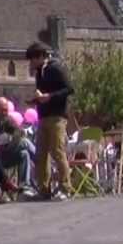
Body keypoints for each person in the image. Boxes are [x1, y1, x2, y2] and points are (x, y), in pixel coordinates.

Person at [27, 42, 74, 200]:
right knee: (41, 154)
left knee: (57, 152)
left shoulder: (55, 68)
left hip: (57, 116)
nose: (31, 63)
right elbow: (43, 92)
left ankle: (65, 187)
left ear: (40, 56)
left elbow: (69, 89)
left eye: (32, 59)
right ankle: (44, 188)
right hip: (43, 116)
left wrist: (50, 97)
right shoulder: (39, 73)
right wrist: (36, 99)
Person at [0, 97, 36, 195]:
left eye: (6, 110)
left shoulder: (6, 119)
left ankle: (24, 187)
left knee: (24, 154)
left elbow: (19, 131)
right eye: (3, 110)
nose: (5, 113)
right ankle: (41, 162)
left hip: (7, 153)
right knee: (25, 142)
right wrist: (10, 138)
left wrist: (11, 138)